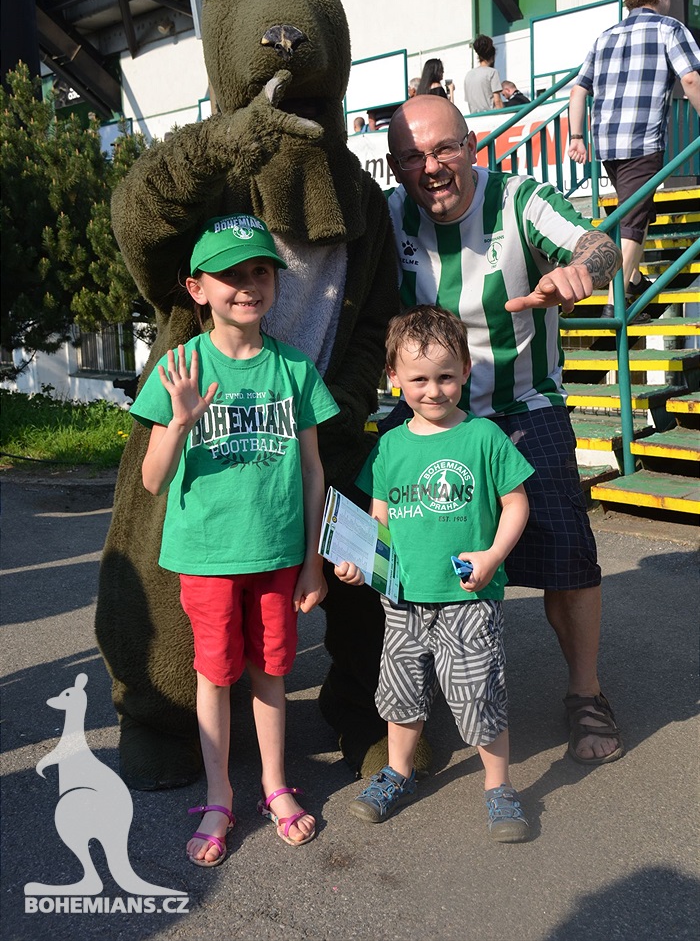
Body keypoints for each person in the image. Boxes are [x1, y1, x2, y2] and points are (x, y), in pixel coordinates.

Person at [384, 93, 625, 768]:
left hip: (523, 406)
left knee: (567, 548)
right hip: (425, 412)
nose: (431, 166)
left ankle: (586, 691)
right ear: (398, 166)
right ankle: (401, 696)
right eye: (413, 155)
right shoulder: (388, 215)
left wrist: (584, 270)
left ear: (471, 144)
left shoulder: (520, 197)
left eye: (444, 149)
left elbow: (597, 243)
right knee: (393, 547)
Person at [129, 213, 340, 866]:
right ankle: (220, 794)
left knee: (272, 672)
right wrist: (181, 422)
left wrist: (312, 562)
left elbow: (313, 471)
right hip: (209, 560)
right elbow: (151, 478)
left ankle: (276, 785)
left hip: (279, 560)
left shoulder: (294, 369)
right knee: (215, 675)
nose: (247, 286)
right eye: (229, 275)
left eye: (259, 271)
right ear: (198, 289)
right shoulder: (180, 366)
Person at [335, 306, 534, 842]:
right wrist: (362, 564)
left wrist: (493, 556)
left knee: (478, 697)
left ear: (467, 370)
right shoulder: (389, 446)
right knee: (401, 696)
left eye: (446, 376)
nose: (433, 390)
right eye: (418, 378)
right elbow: (378, 521)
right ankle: (397, 773)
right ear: (393, 378)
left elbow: (517, 504)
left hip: (469, 599)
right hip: (401, 603)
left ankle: (499, 787)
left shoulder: (485, 438)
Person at [568, 0, 700, 318]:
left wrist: (577, 136)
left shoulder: (605, 36)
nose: (669, 0)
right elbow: (690, 81)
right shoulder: (669, 28)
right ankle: (617, 302)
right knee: (634, 219)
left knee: (637, 210)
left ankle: (636, 278)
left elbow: (578, 90)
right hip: (641, 141)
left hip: (607, 145)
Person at [463, 35, 503, 111]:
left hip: (476, 118)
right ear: (492, 56)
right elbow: (497, 101)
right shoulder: (492, 72)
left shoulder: (469, 75)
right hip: (491, 116)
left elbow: (469, 101)